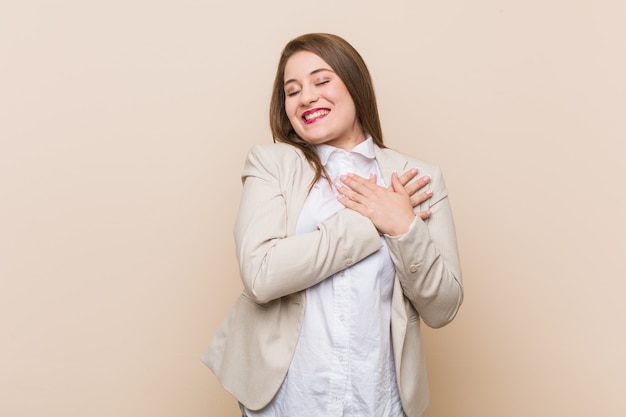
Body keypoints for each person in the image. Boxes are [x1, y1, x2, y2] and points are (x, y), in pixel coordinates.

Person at [201, 33, 463, 417]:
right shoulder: (271, 165)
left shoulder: (417, 179)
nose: (306, 97)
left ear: (355, 85)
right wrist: (370, 222)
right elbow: (260, 275)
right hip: (289, 400)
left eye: (322, 81)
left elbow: (443, 308)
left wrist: (405, 228)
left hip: (378, 400)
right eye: (292, 91)